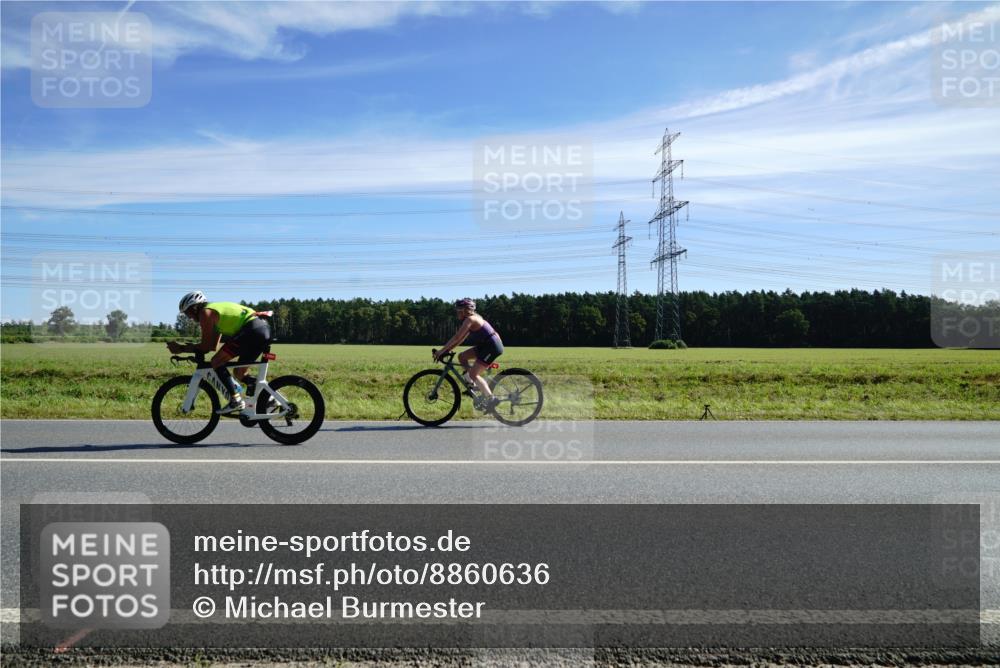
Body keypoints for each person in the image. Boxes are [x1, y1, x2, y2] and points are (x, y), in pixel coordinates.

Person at [167, 291, 271, 414]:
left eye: (188, 312)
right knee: (239, 373)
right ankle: (270, 397)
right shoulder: (215, 314)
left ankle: (236, 400)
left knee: (216, 361)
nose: (188, 317)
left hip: (251, 330)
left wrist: (181, 348)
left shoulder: (206, 313)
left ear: (195, 307)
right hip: (260, 329)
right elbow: (212, 346)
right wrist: (191, 347)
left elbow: (205, 347)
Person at [434, 298, 503, 410]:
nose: (457, 312)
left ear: (466, 311)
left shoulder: (470, 319)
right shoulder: (472, 319)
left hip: (492, 346)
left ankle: (491, 399)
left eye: (459, 310)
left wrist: (441, 351)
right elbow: (460, 340)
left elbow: (456, 337)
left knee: (474, 374)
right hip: (486, 345)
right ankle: (472, 386)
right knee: (462, 357)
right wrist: (447, 350)